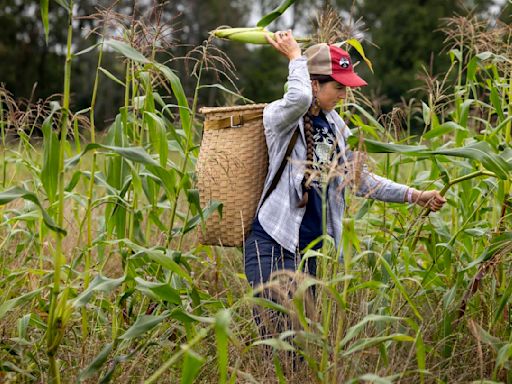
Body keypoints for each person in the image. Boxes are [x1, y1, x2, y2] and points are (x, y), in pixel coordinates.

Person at [243, 30, 446, 325]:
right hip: (273, 242)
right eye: (338, 87)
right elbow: (299, 97)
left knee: (298, 343)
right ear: (314, 83)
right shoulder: (280, 116)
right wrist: (295, 57)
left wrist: (414, 195)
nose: (344, 95)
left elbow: (360, 179)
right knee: (276, 336)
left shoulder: (337, 127)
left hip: (309, 250)